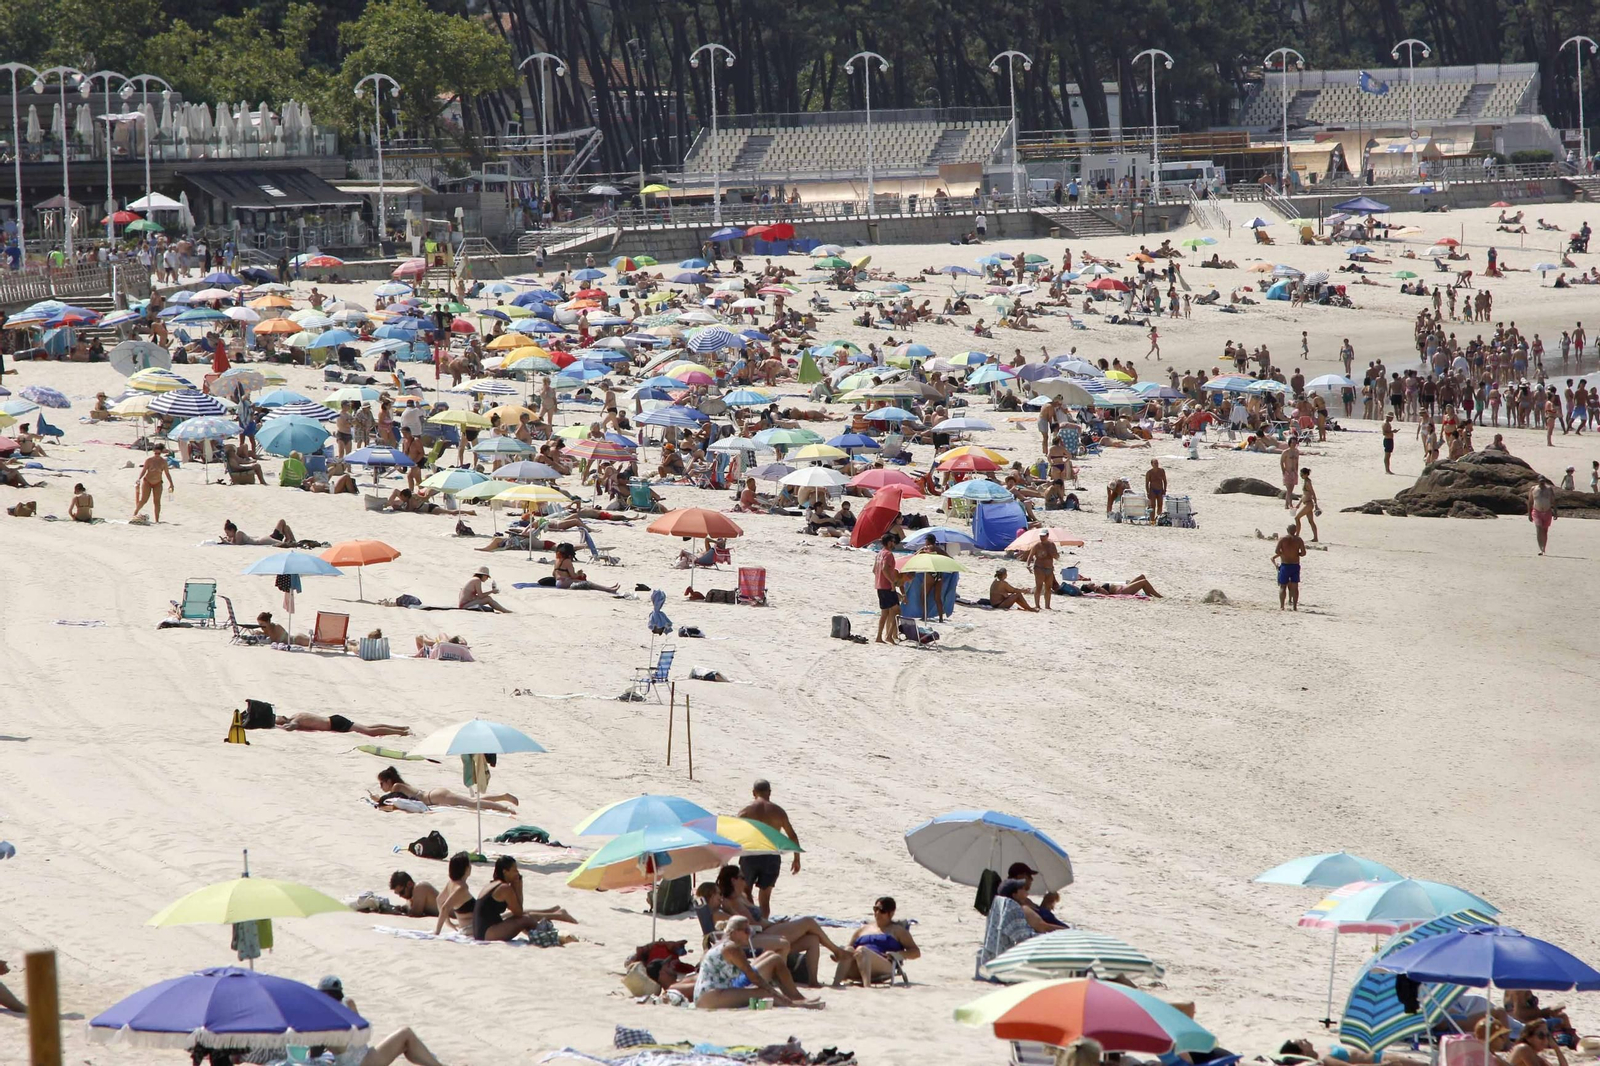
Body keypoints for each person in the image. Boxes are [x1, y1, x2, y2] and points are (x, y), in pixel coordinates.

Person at [313, 975, 449, 1066]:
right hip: (363, 1062)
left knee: (406, 1042)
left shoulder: (344, 1006)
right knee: (406, 1034)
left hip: (363, 1057)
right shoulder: (327, 1019)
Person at [694, 915, 824, 1010]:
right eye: (746, 931)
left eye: (750, 930)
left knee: (772, 956)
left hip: (719, 988)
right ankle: (792, 1003)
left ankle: (797, 998)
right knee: (763, 993)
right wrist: (772, 991)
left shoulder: (722, 943)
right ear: (734, 932)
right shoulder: (731, 948)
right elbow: (753, 977)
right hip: (710, 996)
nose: (749, 934)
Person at [473, 856, 577, 943]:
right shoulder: (505, 888)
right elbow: (519, 912)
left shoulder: (493, 884)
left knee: (526, 916)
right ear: (505, 872)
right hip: (487, 933)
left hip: (481, 931)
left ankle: (554, 918)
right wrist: (518, 888)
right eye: (514, 870)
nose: (517, 873)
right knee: (526, 919)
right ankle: (547, 936)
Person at [736, 779, 802, 916]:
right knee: (765, 897)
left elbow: (735, 834)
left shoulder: (746, 811)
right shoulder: (778, 812)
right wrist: (797, 858)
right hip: (771, 855)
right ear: (769, 793)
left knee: (746, 891)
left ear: (753, 793)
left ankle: (753, 918)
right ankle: (763, 924)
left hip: (750, 854)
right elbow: (792, 835)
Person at [832, 896, 920, 989]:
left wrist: (898, 954)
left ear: (891, 913)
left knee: (862, 950)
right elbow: (849, 948)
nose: (877, 913)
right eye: (875, 909)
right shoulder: (863, 929)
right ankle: (835, 985)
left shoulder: (897, 931)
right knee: (849, 950)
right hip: (858, 965)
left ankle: (867, 987)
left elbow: (916, 952)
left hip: (884, 965)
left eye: (882, 911)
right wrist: (839, 954)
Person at [371, 766, 518, 813]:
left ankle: (505, 808)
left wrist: (378, 800)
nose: (381, 787)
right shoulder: (400, 785)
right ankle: (503, 797)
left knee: (471, 803)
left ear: (388, 781)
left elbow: (390, 801)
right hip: (435, 794)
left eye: (382, 783)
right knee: (471, 800)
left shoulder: (396, 786)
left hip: (435, 797)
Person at [433, 852, 476, 935]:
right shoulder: (461, 888)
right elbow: (445, 908)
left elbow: (439, 900)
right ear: (466, 869)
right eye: (470, 865)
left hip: (466, 927)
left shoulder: (451, 883)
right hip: (472, 928)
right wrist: (437, 932)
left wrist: (448, 923)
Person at [274, 712, 410, 737]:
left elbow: (291, 728)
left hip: (335, 724)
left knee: (369, 732)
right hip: (334, 719)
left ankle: (401, 732)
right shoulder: (298, 714)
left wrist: (278, 727)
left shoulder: (295, 720)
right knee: (368, 727)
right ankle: (401, 728)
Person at [132, 444, 174, 522]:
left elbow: (167, 473)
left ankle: (157, 520)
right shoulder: (149, 460)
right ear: (153, 452)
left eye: (159, 453)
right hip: (147, 481)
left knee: (157, 501)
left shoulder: (163, 462)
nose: (157, 455)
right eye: (156, 453)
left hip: (158, 483)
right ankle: (135, 512)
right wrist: (139, 478)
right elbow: (144, 470)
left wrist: (171, 483)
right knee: (144, 500)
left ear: (161, 453)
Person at [874, 532, 903, 643]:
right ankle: (889, 636)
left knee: (885, 612)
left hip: (879, 585)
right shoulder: (888, 554)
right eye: (893, 541)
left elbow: (874, 570)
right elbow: (885, 568)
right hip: (886, 586)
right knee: (897, 610)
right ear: (889, 542)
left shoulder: (879, 554)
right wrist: (891, 582)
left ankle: (879, 636)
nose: (894, 543)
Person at [1020, 529, 1059, 611]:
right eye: (1041, 536)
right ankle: (1037, 605)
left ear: (1047, 536)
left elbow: (1057, 557)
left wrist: (1052, 553)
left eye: (1043, 536)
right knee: (1039, 587)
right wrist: (1028, 565)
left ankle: (1047, 606)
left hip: (1049, 568)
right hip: (1039, 568)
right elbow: (1030, 556)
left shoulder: (1052, 545)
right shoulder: (1037, 545)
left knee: (1048, 587)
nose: (1042, 538)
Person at [1273, 522, 1306, 611]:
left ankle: (1282, 606)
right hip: (1295, 565)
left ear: (1287, 530)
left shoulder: (1282, 539)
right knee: (1295, 586)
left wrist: (1284, 554)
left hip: (1285, 564)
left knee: (1283, 586)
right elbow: (1303, 553)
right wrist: (1296, 553)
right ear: (1295, 531)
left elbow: (1276, 551)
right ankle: (1295, 606)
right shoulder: (1299, 540)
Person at [1528, 475, 1556, 555]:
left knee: (1545, 530)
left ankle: (1544, 548)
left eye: (1543, 481)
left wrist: (1555, 512)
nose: (1542, 482)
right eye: (1540, 481)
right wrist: (1529, 514)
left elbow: (1554, 501)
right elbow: (1530, 502)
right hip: (1536, 511)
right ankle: (1540, 548)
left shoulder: (1549, 489)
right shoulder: (1533, 489)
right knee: (1538, 528)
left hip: (1547, 511)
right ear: (1538, 481)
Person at [1295, 467, 1319, 542]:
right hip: (1306, 503)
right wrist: (1299, 503)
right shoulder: (1305, 481)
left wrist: (1316, 505)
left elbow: (1313, 493)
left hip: (1308, 504)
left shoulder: (1308, 482)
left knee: (1297, 518)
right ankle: (1315, 538)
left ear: (1306, 474)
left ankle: (1297, 535)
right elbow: (1304, 494)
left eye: (1302, 474)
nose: (1301, 476)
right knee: (1311, 521)